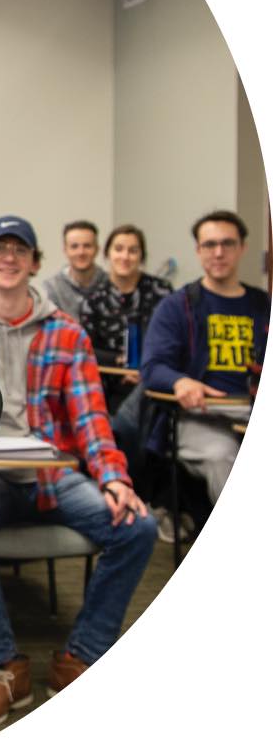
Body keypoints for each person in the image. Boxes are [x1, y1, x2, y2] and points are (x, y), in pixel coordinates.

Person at [0, 215, 156, 729]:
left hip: (51, 474)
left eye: (19, 250)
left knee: (137, 526)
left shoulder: (65, 333)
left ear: (34, 262)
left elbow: (91, 418)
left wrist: (114, 478)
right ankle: (7, 669)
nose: (9, 258)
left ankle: (81, 656)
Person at [141, 209, 269, 514]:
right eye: (210, 245)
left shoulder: (262, 305)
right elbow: (152, 367)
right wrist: (180, 381)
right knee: (224, 457)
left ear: (242, 248)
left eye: (228, 243)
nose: (219, 252)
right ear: (198, 250)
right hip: (199, 416)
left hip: (250, 410)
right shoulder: (178, 306)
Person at [79, 224, 173, 491]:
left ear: (142, 256)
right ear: (107, 254)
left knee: (142, 414)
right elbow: (84, 348)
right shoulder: (93, 299)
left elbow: (172, 341)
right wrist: (117, 363)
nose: (125, 256)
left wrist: (145, 369)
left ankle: (137, 489)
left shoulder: (162, 293)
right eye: (119, 249)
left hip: (153, 386)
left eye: (133, 250)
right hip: (106, 386)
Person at [42, 219, 109, 320]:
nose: (81, 252)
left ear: (97, 249)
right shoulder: (51, 289)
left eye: (87, 246)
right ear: (65, 250)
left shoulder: (112, 285)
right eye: (74, 246)